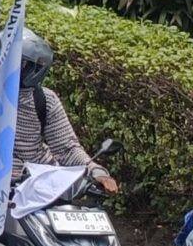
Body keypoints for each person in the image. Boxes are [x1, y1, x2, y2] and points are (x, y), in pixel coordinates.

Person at [8, 34, 115, 192]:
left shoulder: (45, 100)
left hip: (41, 185)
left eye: (20, 63)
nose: (12, 67)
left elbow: (66, 148)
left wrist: (94, 169)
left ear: (35, 68)